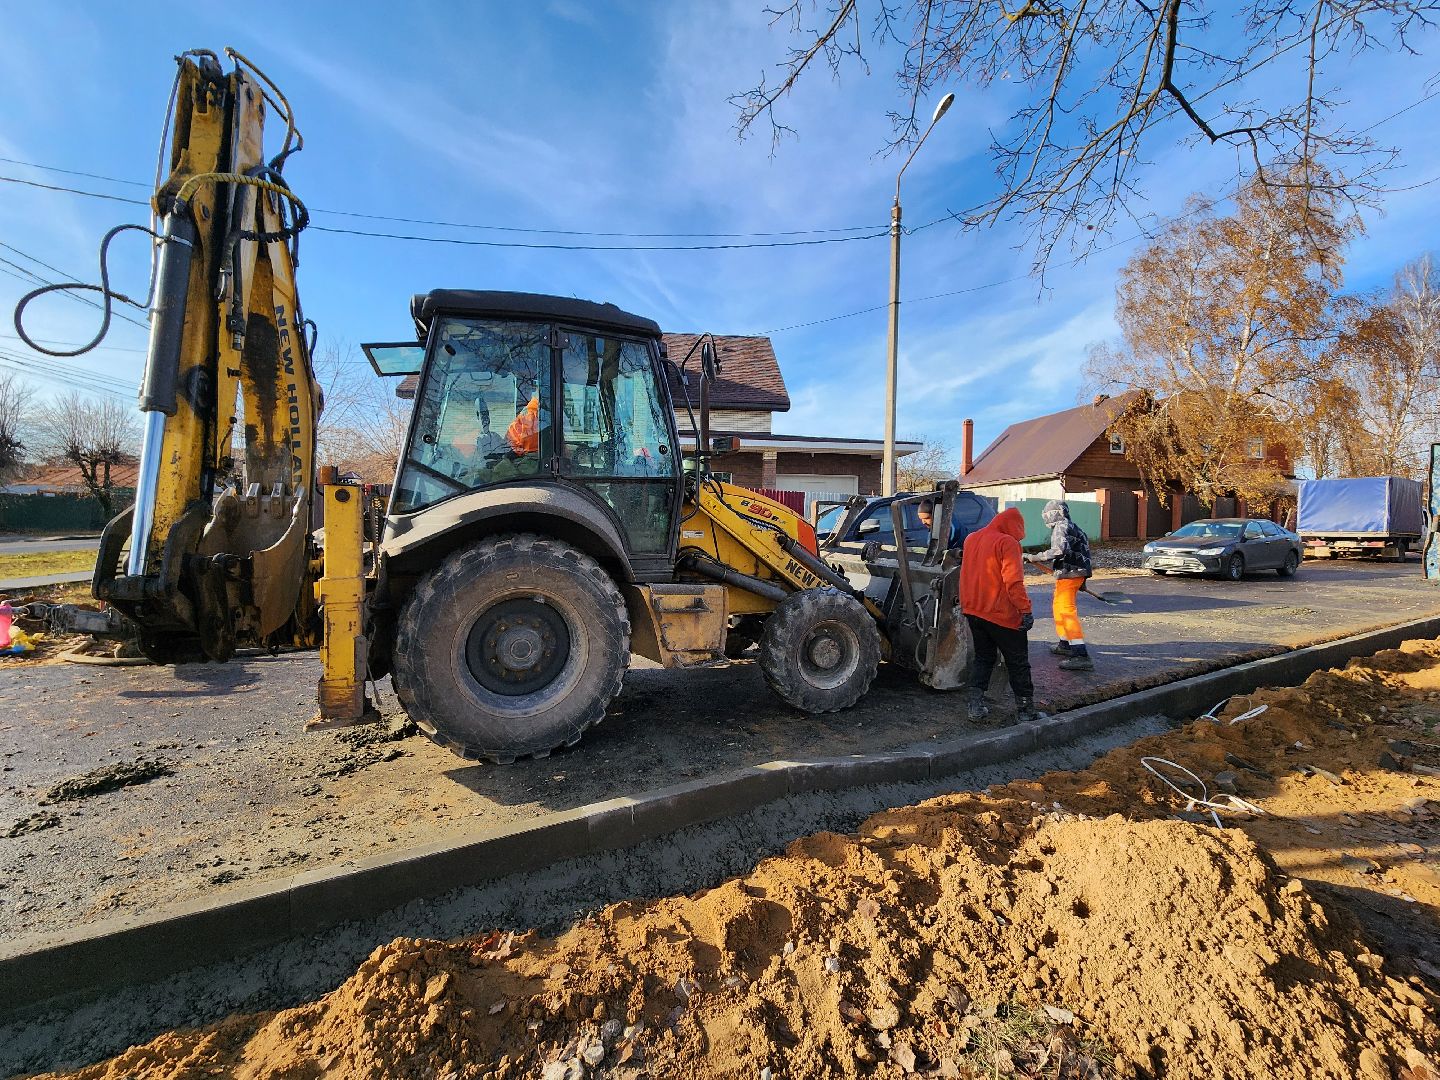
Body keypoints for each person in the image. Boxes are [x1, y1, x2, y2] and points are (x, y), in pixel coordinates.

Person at [959, 506, 1047, 724]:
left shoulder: (972, 538)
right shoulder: (1007, 543)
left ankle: (975, 705)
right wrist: (1025, 610)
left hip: (973, 610)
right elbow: (1013, 582)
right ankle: (1026, 711)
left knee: (983, 657)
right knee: (1018, 661)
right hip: (1001, 613)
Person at [1024, 499, 1095, 671]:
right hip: (1072, 574)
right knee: (1058, 607)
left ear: (1052, 514)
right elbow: (1084, 553)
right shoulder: (1074, 527)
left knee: (1066, 611)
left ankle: (1080, 654)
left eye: (1046, 515)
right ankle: (1065, 643)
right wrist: (1083, 580)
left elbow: (1058, 551)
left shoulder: (1061, 527)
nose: (1045, 519)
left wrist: (1033, 557)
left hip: (1070, 574)